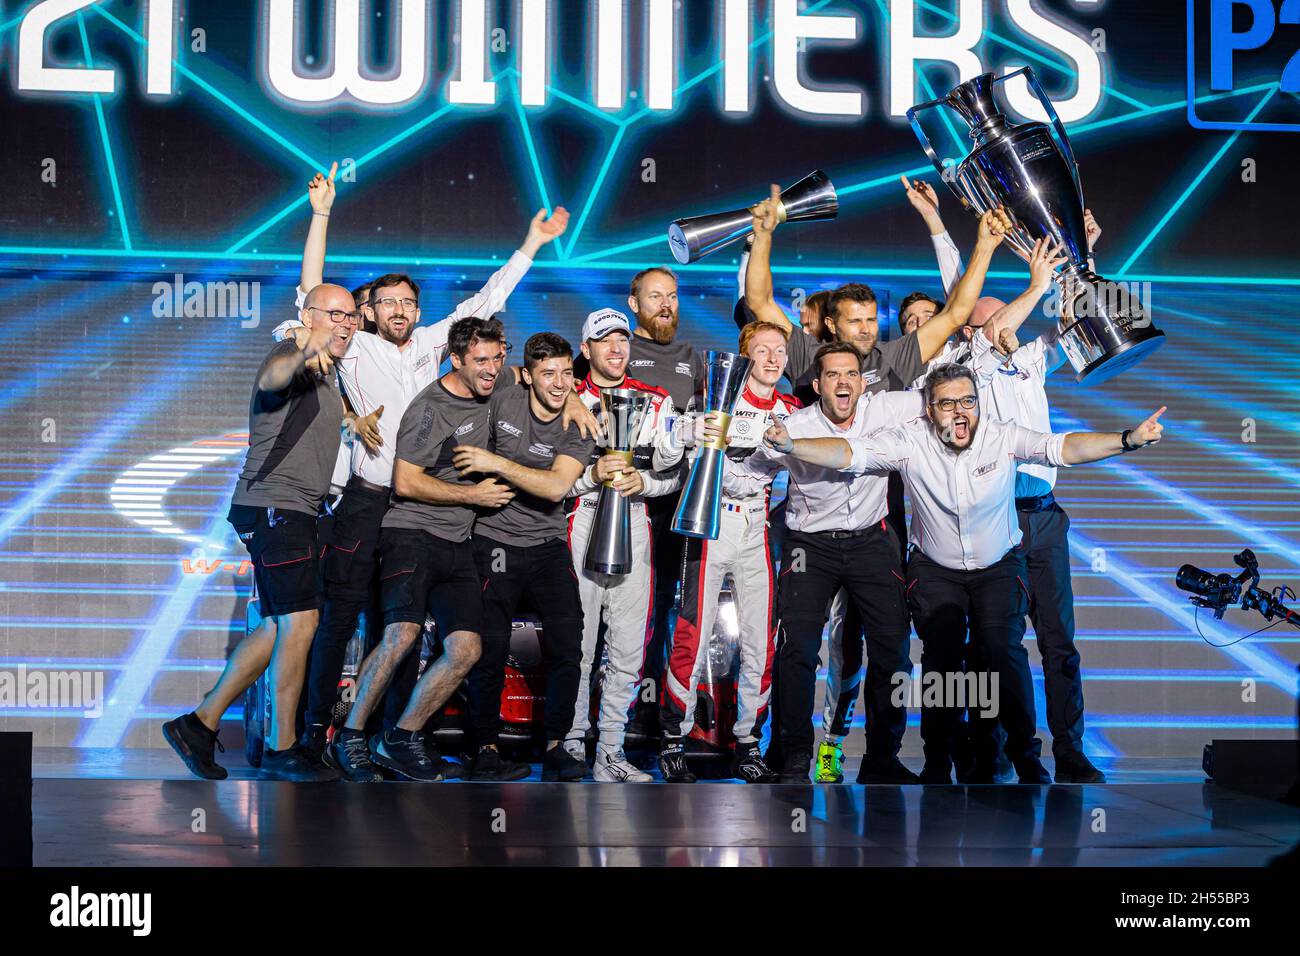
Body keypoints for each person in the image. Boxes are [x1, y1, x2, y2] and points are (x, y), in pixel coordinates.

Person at [278, 167, 591, 768]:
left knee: (405, 630)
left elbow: (488, 305)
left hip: (426, 507)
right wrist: (321, 215)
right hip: (370, 498)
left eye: (410, 301)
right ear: (367, 309)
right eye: (388, 301)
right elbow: (311, 296)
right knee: (343, 621)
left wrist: (530, 244)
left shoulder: (432, 345)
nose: (400, 309)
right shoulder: (354, 345)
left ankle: (390, 739)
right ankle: (319, 735)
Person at [764, 363, 1166, 784]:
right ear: (929, 408)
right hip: (936, 571)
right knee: (941, 664)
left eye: (968, 401)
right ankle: (940, 760)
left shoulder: (1002, 435)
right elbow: (849, 453)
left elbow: (1063, 447)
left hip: (997, 567)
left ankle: (1024, 754)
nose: (960, 412)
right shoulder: (909, 440)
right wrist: (792, 444)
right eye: (948, 403)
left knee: (1001, 651)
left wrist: (1128, 440)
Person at [162, 284, 358, 781]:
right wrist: (303, 343)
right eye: (334, 314)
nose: (346, 322)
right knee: (301, 623)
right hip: (277, 506)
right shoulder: (291, 351)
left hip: (291, 510)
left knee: (276, 626)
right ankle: (282, 747)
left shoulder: (327, 374)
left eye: (352, 315)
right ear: (309, 316)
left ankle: (198, 725)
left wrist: (353, 422)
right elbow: (273, 378)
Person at [328, 317, 515, 781]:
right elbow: (405, 481)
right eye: (481, 361)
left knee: (467, 649)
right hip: (410, 534)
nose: (492, 369)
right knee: (401, 637)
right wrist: (473, 496)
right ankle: (348, 737)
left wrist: (576, 404)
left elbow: (544, 379)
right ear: (456, 360)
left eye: (498, 358)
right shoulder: (429, 409)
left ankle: (399, 738)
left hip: (457, 542)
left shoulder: (496, 385)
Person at [658, 320, 798, 784]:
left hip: (757, 527)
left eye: (780, 349)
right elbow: (686, 449)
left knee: (760, 641)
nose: (774, 358)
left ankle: (748, 743)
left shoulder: (790, 409)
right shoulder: (716, 399)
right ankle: (674, 740)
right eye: (763, 350)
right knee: (692, 636)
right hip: (711, 523)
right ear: (745, 356)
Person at [454, 333, 594, 782]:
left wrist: (496, 463)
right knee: (489, 648)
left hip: (548, 544)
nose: (559, 383)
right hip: (493, 539)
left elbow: (556, 487)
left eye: (567, 374)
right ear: (528, 375)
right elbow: (476, 375)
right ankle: (486, 747)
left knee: (569, 643)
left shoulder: (582, 424)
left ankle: (555, 745)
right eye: (548, 373)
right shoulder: (505, 396)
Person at [563, 308, 687, 782]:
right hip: (583, 521)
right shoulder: (568, 398)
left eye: (622, 340)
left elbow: (674, 473)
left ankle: (610, 750)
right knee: (579, 645)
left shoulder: (655, 401)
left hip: (635, 525)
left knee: (629, 648)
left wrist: (646, 485)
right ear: (586, 347)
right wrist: (591, 479)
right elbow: (554, 481)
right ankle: (574, 745)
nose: (616, 350)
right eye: (605, 341)